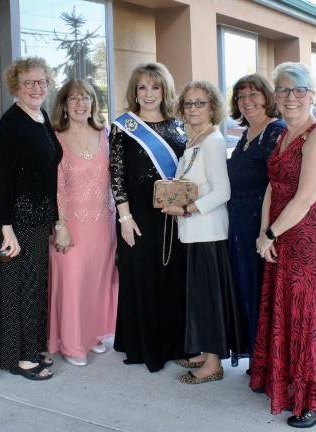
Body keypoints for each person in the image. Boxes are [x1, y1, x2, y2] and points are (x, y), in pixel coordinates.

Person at [250, 62, 316, 428]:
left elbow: (306, 197)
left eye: (299, 90)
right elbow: (272, 189)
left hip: (308, 241)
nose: (291, 98)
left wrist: (271, 234)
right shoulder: (282, 136)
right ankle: (295, 387)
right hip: (280, 236)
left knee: (310, 319)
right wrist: (264, 234)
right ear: (275, 96)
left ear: (312, 95)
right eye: (283, 90)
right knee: (288, 314)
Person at [162, 81, 246, 384]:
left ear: (212, 107)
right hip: (194, 232)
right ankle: (204, 354)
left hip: (208, 233)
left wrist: (186, 209)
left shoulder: (212, 141)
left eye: (200, 103)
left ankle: (212, 364)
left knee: (209, 300)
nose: (193, 109)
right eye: (188, 103)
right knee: (199, 298)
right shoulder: (194, 139)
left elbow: (223, 191)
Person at [110, 62, 188, 372]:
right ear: (135, 91)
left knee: (172, 279)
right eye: (142, 87)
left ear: (165, 90)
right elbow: (115, 174)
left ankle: (174, 344)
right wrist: (124, 218)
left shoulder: (179, 125)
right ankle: (143, 345)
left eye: (155, 87)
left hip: (172, 215)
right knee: (141, 278)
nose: (148, 93)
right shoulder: (124, 125)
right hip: (137, 215)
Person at [0, 57, 63, 380]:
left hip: (39, 217)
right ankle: (20, 357)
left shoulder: (40, 115)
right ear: (15, 87)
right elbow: (2, 177)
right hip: (20, 218)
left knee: (35, 286)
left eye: (41, 82)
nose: (36, 88)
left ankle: (33, 347)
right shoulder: (11, 123)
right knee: (21, 287)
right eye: (29, 83)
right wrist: (6, 228)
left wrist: (55, 218)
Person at [48, 79, 118, 366]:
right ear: (64, 104)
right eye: (73, 99)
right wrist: (60, 226)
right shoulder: (55, 136)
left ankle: (93, 335)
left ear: (93, 103)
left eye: (86, 98)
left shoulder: (106, 133)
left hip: (104, 223)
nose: (80, 104)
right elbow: (54, 186)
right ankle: (73, 345)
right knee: (73, 283)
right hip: (70, 224)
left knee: (97, 282)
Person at [227, 74, 285, 365]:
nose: (247, 101)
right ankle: (257, 362)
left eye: (253, 95)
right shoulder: (245, 135)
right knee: (246, 292)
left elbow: (279, 185)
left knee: (262, 296)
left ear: (267, 97)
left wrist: (268, 232)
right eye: (241, 97)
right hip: (238, 226)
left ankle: (268, 365)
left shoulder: (276, 132)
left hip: (260, 229)